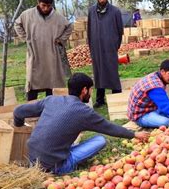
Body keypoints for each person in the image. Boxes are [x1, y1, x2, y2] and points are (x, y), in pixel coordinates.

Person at [13, 73, 149, 174]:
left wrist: (19, 125)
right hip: (54, 167)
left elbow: (18, 111)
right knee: (100, 140)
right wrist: (134, 134)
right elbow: (110, 128)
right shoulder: (83, 112)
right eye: (91, 89)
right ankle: (64, 163)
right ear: (84, 90)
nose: (91, 93)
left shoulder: (51, 100)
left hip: (32, 160)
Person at [14, 0, 73, 101]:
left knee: (52, 83)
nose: (46, 8)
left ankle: (51, 109)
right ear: (38, 3)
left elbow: (69, 26)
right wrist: (25, 38)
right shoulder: (27, 14)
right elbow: (17, 24)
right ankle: (31, 111)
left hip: (51, 55)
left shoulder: (57, 17)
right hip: (35, 53)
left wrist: (61, 40)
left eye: (48, 6)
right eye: (43, 5)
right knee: (32, 82)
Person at [88, 0, 123, 109]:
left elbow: (120, 31)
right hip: (96, 47)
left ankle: (116, 96)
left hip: (110, 47)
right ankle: (100, 99)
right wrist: (91, 46)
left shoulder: (115, 11)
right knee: (98, 72)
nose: (102, 0)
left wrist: (115, 45)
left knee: (112, 71)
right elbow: (89, 30)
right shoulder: (91, 11)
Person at [128, 60, 169, 128]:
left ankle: (161, 117)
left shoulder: (157, 76)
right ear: (162, 71)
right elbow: (165, 105)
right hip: (141, 115)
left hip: (151, 108)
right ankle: (159, 118)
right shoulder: (154, 85)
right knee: (166, 122)